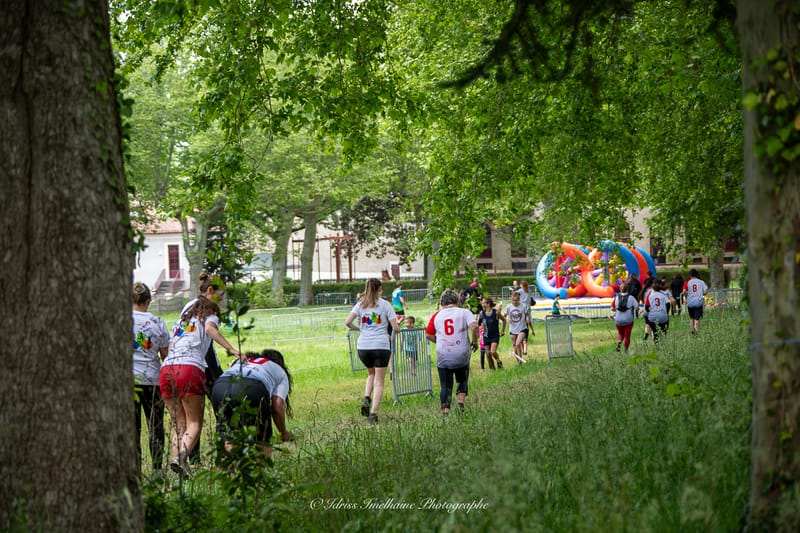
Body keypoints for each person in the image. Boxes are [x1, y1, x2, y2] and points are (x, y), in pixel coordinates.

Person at [159, 271, 242, 476]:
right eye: (220, 296)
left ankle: (177, 467)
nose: (221, 301)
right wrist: (232, 349)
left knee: (179, 424)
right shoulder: (210, 314)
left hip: (167, 368)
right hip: (189, 368)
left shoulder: (188, 309)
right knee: (195, 423)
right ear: (211, 291)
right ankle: (180, 458)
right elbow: (211, 330)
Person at [211, 349, 293, 459]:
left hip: (220, 386)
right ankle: (260, 473)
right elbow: (277, 407)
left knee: (227, 437)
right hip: (252, 387)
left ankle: (225, 472)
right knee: (262, 441)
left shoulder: (245, 360)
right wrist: (284, 434)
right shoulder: (279, 370)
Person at [345, 278, 400, 425]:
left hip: (363, 346)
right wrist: (396, 329)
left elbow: (347, 322)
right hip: (381, 346)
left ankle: (366, 397)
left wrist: (359, 329)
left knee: (371, 373)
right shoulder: (386, 305)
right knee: (379, 382)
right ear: (380, 289)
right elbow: (395, 328)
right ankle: (373, 413)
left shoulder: (361, 304)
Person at [132, 282, 170, 470]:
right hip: (153, 380)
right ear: (149, 301)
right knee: (156, 426)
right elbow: (165, 355)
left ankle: (135, 470)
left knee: (133, 429)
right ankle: (157, 470)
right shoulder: (158, 322)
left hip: (129, 380)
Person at [425, 290, 479, 416]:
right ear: (457, 301)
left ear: (442, 302)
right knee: (462, 377)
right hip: (461, 353)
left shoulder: (436, 315)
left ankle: (445, 412)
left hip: (443, 353)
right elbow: (474, 326)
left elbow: (428, 334)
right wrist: (474, 341)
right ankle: (460, 402)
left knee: (445, 385)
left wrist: (439, 341)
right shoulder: (464, 312)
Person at [478, 297, 507, 370]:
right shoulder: (482, 313)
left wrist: (502, 330)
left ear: (488, 304)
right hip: (486, 336)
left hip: (495, 336)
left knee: (493, 352)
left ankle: (499, 361)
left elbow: (504, 320)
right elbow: (479, 324)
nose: (482, 304)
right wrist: (481, 327)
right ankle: (492, 370)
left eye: (484, 303)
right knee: (488, 354)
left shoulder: (496, 312)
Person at [610, 283, 639, 352]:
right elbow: (637, 307)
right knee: (627, 336)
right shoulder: (631, 297)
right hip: (628, 319)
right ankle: (626, 350)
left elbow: (612, 308)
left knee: (620, 333)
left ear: (620, 289)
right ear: (627, 289)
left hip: (618, 319)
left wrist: (618, 309)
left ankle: (619, 342)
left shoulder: (616, 297)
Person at [645, 278, 674, 344]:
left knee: (655, 332)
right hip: (663, 316)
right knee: (664, 330)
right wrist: (665, 312)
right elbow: (668, 304)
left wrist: (651, 311)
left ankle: (656, 344)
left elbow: (646, 307)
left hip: (653, 317)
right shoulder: (663, 295)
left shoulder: (650, 295)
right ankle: (664, 335)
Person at [505, 290, 528, 364]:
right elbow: (504, 316)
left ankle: (520, 361)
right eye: (513, 300)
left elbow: (527, 314)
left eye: (516, 300)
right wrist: (507, 319)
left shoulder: (523, 306)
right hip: (512, 329)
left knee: (518, 344)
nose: (514, 302)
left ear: (519, 300)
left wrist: (527, 319)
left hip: (522, 328)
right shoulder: (508, 307)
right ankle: (519, 362)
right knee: (515, 346)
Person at [682, 269, 709, 335]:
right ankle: (697, 332)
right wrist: (701, 293)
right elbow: (705, 291)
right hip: (698, 302)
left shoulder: (687, 282)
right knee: (697, 318)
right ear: (697, 274)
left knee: (691, 318)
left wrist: (686, 297)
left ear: (690, 275)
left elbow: (684, 291)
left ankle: (692, 331)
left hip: (690, 302)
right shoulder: (701, 282)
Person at [513, 280, 535, 355]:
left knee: (524, 321)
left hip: (523, 308)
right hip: (525, 308)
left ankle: (524, 338)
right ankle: (524, 340)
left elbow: (515, 293)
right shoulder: (528, 291)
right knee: (526, 321)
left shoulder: (522, 291)